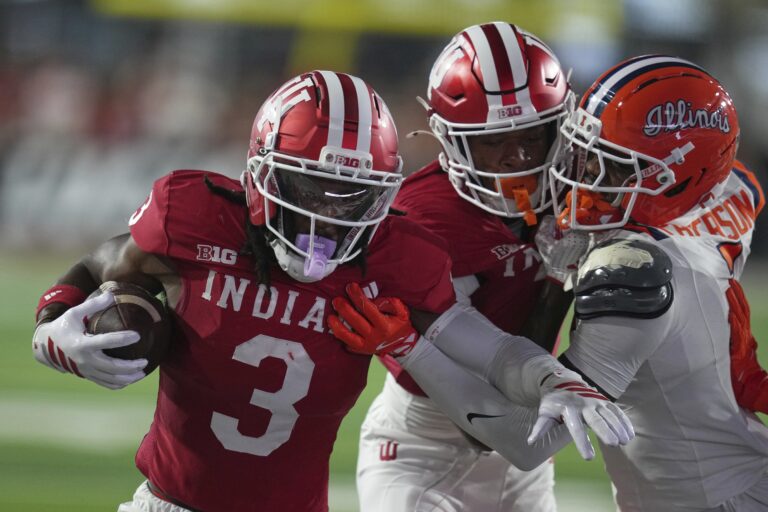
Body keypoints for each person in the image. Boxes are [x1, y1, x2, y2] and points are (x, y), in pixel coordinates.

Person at [32, 70, 631, 512]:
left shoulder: (394, 258)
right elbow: (105, 260)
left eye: (352, 195)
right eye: (311, 187)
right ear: (262, 175)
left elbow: (492, 348)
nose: (328, 215)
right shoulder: (196, 218)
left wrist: (554, 379)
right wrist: (53, 324)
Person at [342, 21, 593, 512]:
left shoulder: (582, 184)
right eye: (494, 139)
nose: (517, 156)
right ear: (451, 139)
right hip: (428, 439)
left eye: (534, 135)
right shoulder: (423, 220)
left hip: (527, 440)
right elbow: (484, 417)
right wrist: (558, 281)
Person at [546, 54, 768, 511]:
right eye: (589, 158)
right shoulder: (736, 191)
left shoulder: (636, 264)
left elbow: (523, 437)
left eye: (616, 168)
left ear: (681, 176)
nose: (585, 181)